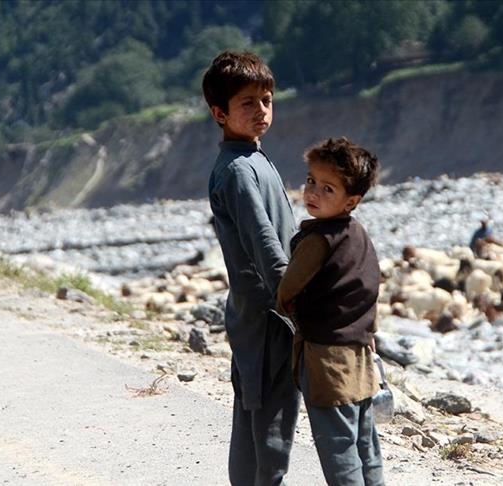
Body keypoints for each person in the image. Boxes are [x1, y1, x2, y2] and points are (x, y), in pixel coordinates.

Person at [203, 50, 299, 486]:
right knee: (272, 433)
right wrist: (294, 303)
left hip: (254, 314)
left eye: (267, 100)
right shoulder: (239, 171)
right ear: (219, 113)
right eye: (247, 103)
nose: (261, 110)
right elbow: (265, 245)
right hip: (269, 316)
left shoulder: (253, 158)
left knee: (252, 417)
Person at [276, 137, 385, 486]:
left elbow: (287, 289)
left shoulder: (317, 240)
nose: (313, 192)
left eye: (327, 188)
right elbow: (370, 286)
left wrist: (287, 307)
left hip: (327, 362)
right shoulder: (358, 234)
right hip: (360, 357)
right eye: (311, 181)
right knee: (366, 444)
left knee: (338, 446)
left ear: (351, 201)